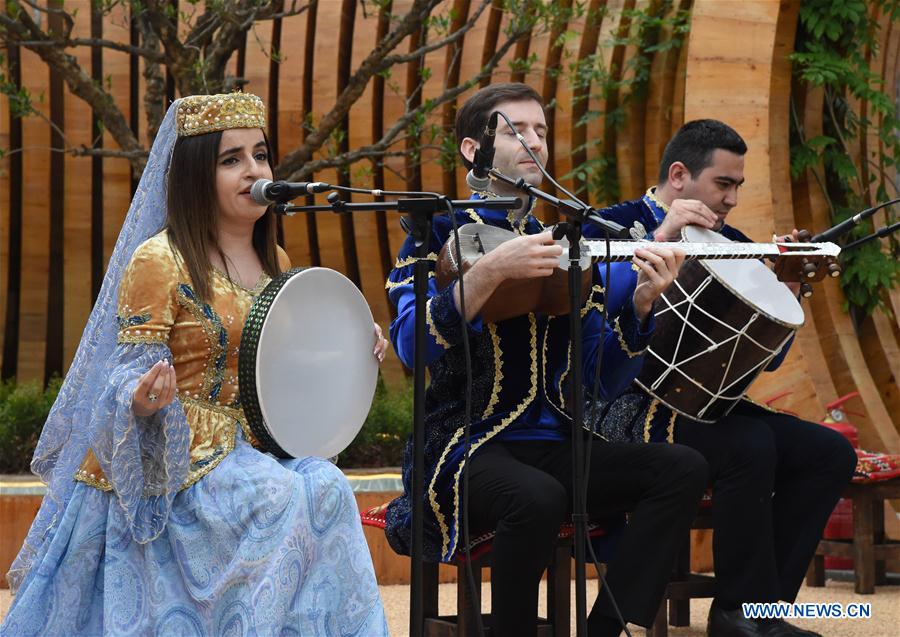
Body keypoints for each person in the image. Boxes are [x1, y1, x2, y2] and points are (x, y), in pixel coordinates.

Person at [1, 93, 389, 637]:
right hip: (178, 453)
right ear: (193, 176)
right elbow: (121, 373)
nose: (253, 171)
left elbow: (287, 359)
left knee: (327, 485)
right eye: (231, 160)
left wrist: (352, 343)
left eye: (260, 155)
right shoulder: (160, 259)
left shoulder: (276, 261)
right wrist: (139, 396)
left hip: (257, 445)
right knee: (275, 496)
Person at [384, 82, 709, 637]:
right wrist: (487, 273)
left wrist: (639, 306)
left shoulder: (565, 242)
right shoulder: (435, 231)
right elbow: (413, 346)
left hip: (554, 441)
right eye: (516, 130)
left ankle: (607, 628)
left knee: (682, 467)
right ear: (472, 149)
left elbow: (600, 380)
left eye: (541, 130)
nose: (534, 142)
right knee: (537, 497)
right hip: (464, 445)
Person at [591, 119, 857, 637]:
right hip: (625, 408)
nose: (733, 198)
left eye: (738, 186)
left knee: (830, 453)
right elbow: (592, 320)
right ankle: (738, 615)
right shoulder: (611, 225)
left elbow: (764, 360)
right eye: (723, 184)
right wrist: (659, 237)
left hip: (707, 409)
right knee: (749, 443)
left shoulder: (729, 242)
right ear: (679, 175)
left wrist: (788, 285)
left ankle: (763, 613)